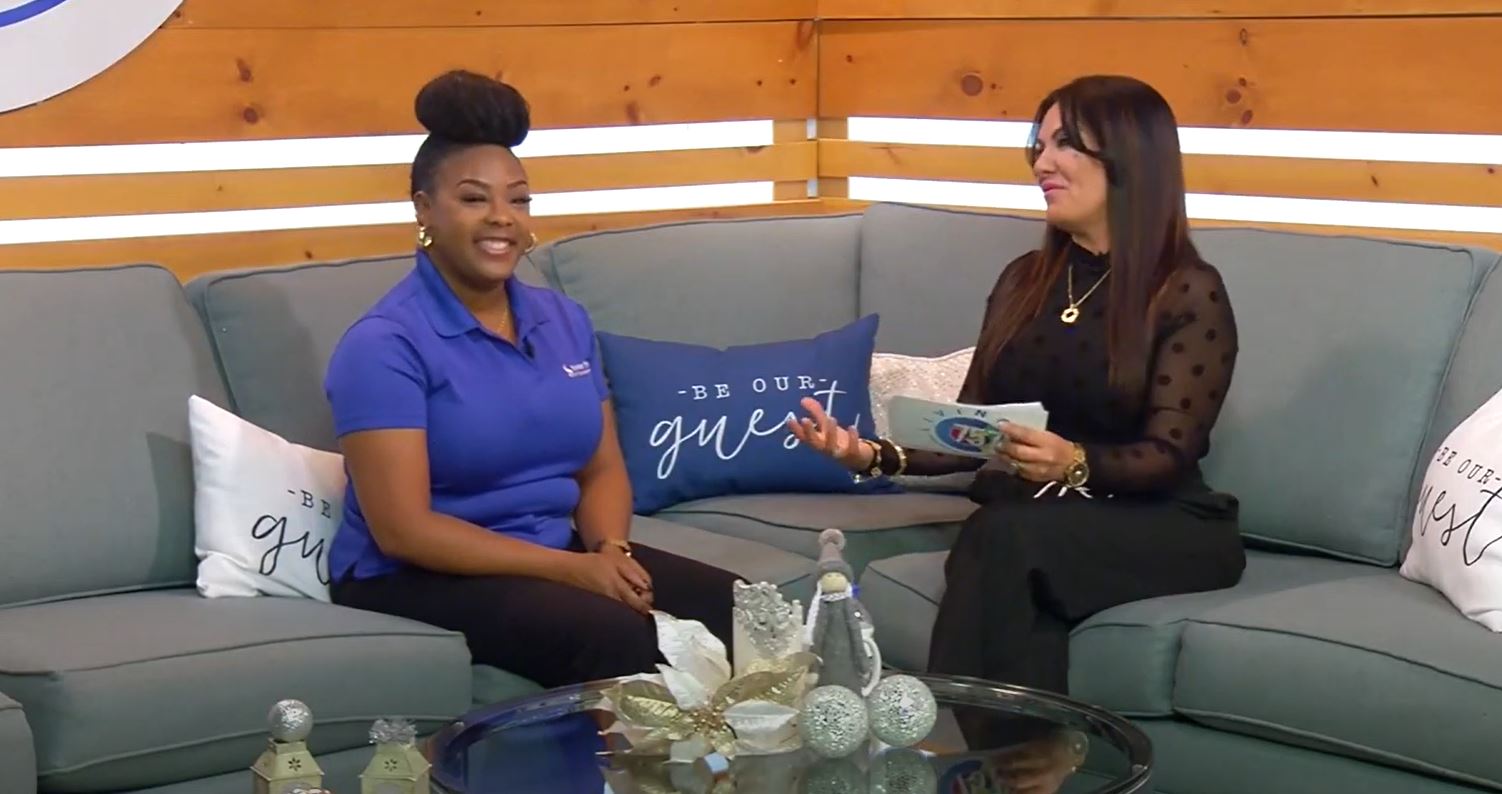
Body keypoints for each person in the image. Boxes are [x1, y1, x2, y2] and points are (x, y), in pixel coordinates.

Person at [787, 75, 1246, 701]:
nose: (1041, 162)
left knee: (1003, 535)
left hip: (1165, 522)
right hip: (1045, 519)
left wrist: (1075, 461)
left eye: (1065, 144)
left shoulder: (1188, 290)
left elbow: (1170, 454)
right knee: (1008, 535)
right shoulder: (1024, 280)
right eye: (1038, 143)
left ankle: (966, 755)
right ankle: (1025, 759)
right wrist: (870, 454)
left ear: (1129, 159)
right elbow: (973, 427)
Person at [323, 70, 740, 688]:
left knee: (749, 611)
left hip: (555, 550)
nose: (502, 219)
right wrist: (570, 572)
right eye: (473, 198)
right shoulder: (383, 344)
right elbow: (404, 529)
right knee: (615, 635)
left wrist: (609, 552)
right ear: (423, 209)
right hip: (412, 577)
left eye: (517, 199)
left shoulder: (562, 319)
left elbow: (600, 467)